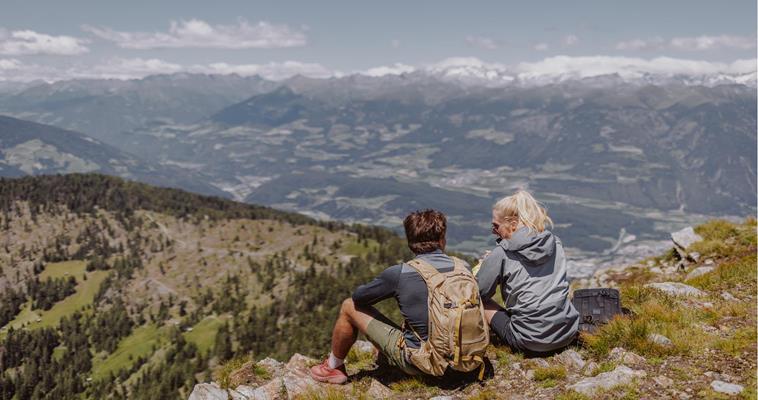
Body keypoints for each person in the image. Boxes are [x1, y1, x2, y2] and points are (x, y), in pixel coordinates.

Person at [310, 209, 486, 384]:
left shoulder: (401, 273)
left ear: (410, 242)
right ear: (442, 240)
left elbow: (358, 298)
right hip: (469, 361)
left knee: (348, 306)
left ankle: (333, 367)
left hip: (426, 365)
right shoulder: (462, 266)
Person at [476, 190, 579, 357]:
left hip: (531, 340)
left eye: (496, 226)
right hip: (566, 333)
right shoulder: (555, 243)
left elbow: (480, 292)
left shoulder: (502, 252)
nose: (493, 231)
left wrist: (487, 265)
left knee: (480, 302)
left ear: (513, 224)